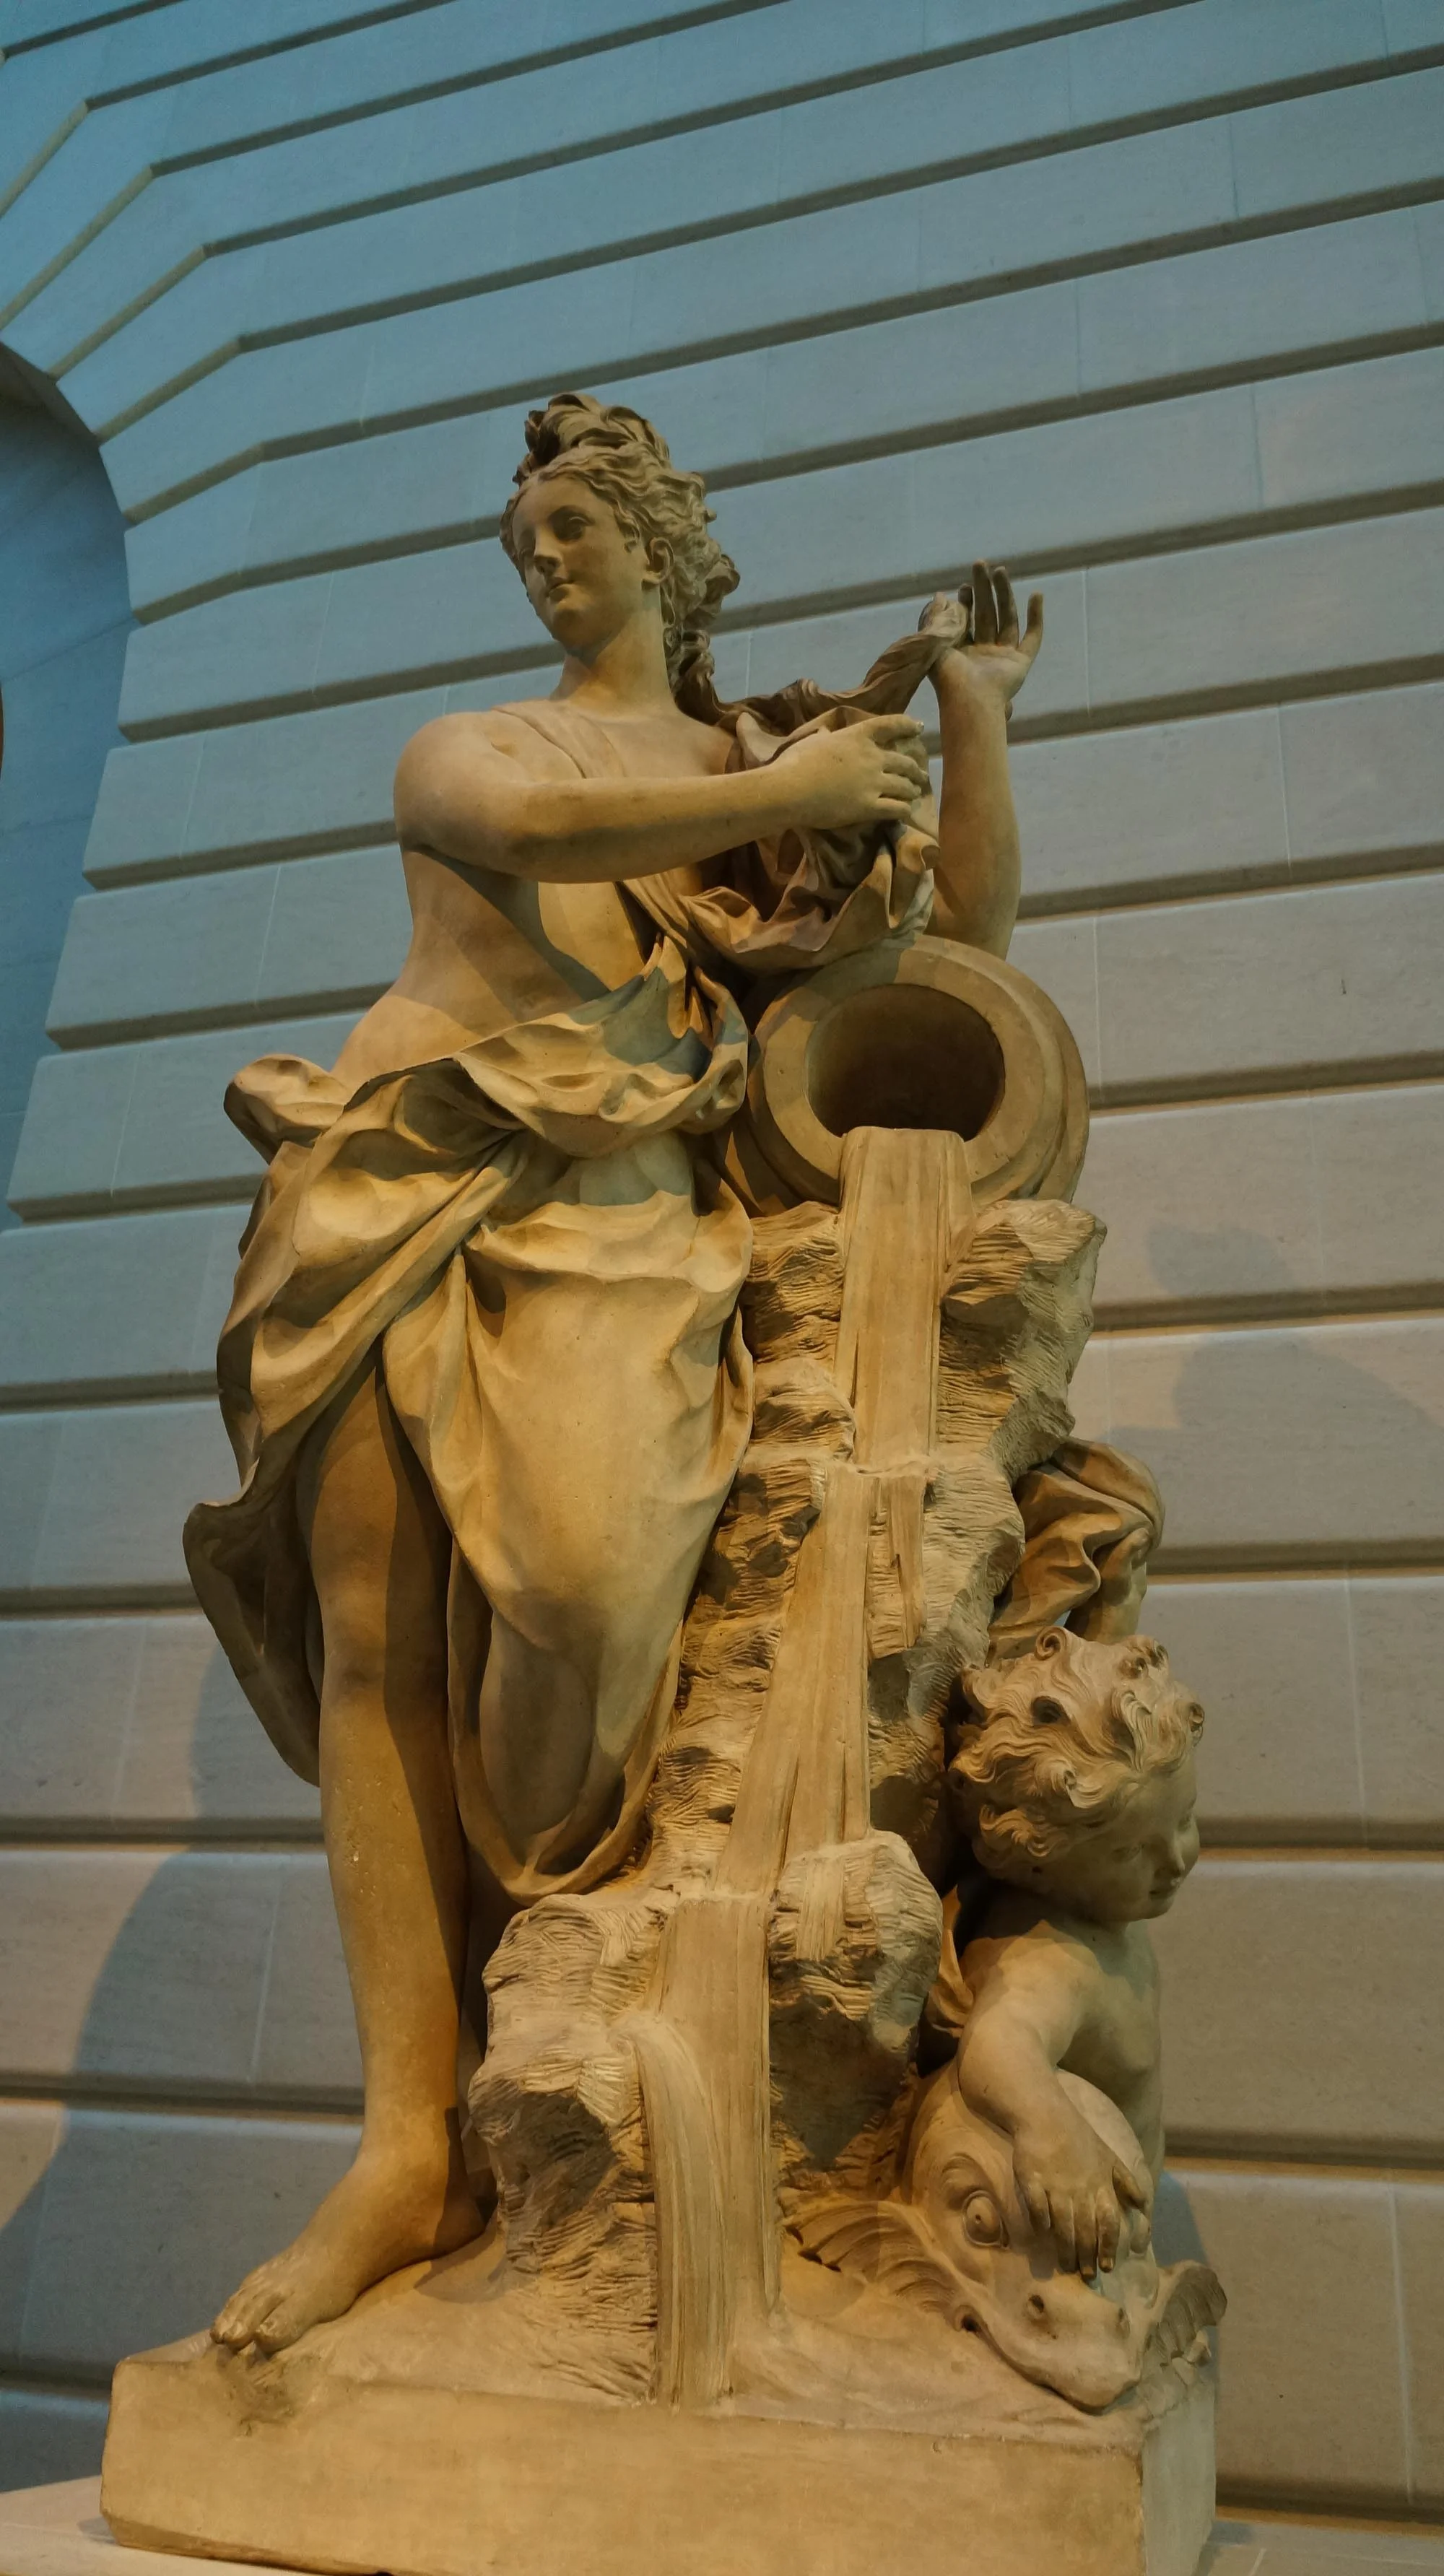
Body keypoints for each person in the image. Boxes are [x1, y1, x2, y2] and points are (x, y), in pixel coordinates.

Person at [186, 393, 1045, 2355]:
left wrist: (969, 718)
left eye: (574, 530)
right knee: (374, 1644)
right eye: (525, 542)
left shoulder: (760, 781)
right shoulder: (481, 747)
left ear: (663, 556)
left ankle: (547, 1987)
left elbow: (962, 943)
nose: (542, 561)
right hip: (399, 1169)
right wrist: (801, 779)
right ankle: (401, 2147)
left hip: (622, 1209)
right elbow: (523, 833)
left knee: (584, 1591)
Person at [944, 1625, 1204, 2280]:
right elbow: (999, 2042)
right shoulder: (1052, 1958)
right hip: (1076, 2252)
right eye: (1131, 1852)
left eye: (1183, 1821)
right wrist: (1051, 2130)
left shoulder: (1107, 1917)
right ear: (1040, 1860)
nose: (1175, 1860)